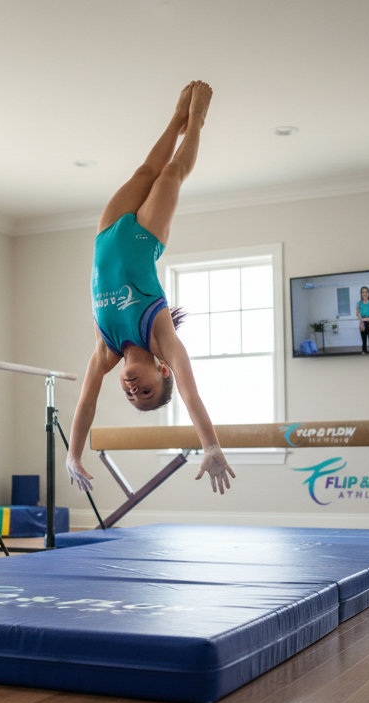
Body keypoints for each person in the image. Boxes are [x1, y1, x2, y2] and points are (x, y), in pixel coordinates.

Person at [65, 81, 235, 495]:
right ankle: (193, 120)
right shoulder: (163, 339)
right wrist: (210, 445)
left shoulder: (106, 351)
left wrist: (73, 454)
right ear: (162, 372)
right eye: (145, 390)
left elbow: (86, 403)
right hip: (144, 237)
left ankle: (176, 117)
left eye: (131, 395)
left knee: (144, 170)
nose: (131, 388)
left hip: (107, 234)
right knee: (171, 172)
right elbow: (192, 397)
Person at [357, 285, 369, 353]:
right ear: (361, 294)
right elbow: (358, 314)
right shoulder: (359, 304)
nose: (364, 294)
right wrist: (361, 322)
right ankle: (364, 359)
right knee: (364, 342)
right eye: (363, 292)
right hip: (363, 324)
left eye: (366, 292)